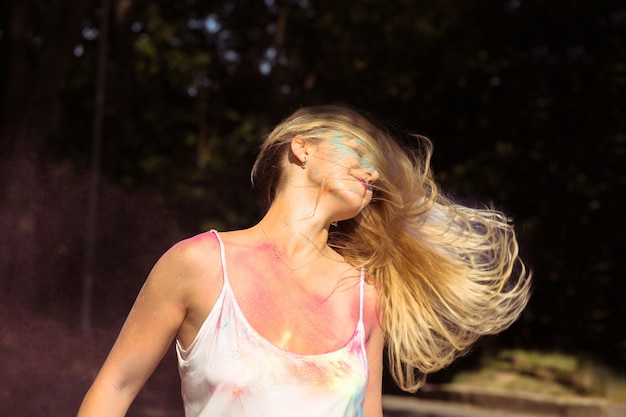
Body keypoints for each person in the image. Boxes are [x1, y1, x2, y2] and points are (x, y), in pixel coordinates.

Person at [77, 104, 531, 417]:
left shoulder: (365, 295)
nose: (371, 173)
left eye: (375, 169)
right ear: (302, 148)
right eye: (358, 153)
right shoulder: (199, 264)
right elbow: (114, 389)